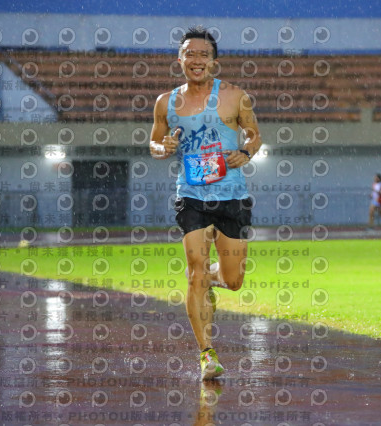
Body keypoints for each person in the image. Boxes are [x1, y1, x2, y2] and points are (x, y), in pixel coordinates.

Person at [149, 26, 262, 380]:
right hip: (192, 195)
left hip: (232, 196)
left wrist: (246, 152)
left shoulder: (236, 96)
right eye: (190, 54)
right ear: (179, 59)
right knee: (195, 272)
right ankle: (206, 354)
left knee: (234, 280)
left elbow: (255, 135)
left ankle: (213, 277)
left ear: (213, 61)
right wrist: (163, 147)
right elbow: (154, 143)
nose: (196, 60)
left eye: (203, 55)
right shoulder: (166, 102)